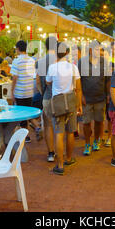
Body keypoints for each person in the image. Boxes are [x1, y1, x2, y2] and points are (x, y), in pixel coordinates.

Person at [46, 42, 82, 175]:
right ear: (67, 52)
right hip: (71, 102)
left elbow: (48, 82)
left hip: (58, 103)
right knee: (70, 132)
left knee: (58, 133)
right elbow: (78, 87)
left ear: (56, 52)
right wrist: (78, 105)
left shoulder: (52, 67)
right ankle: (68, 158)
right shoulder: (73, 68)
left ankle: (60, 165)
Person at [78, 41, 109, 156]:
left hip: (100, 97)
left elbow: (108, 80)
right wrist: (81, 96)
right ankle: (87, 143)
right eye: (97, 49)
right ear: (90, 50)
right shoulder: (82, 62)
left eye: (100, 49)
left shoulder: (104, 62)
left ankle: (96, 141)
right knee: (86, 122)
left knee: (99, 121)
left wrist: (108, 95)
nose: (99, 52)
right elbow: (78, 80)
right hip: (87, 98)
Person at [10, 40, 39, 143]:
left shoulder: (16, 61)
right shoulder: (32, 60)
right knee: (27, 113)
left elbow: (15, 77)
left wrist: (12, 91)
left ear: (18, 49)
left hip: (20, 91)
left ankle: (25, 136)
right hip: (29, 90)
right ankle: (33, 130)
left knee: (21, 115)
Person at [36, 36, 58, 162]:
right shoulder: (61, 61)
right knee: (60, 126)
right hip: (60, 97)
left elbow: (38, 80)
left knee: (48, 125)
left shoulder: (40, 61)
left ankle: (50, 152)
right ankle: (61, 150)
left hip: (47, 96)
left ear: (45, 46)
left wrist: (42, 91)